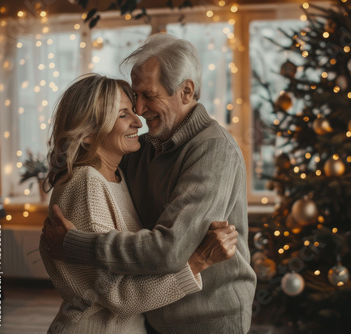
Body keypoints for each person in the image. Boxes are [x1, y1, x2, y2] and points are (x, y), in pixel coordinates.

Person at [43, 32, 257, 333]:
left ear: (185, 91)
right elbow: (92, 164)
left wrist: (76, 244)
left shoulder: (214, 151)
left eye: (148, 95)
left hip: (206, 320)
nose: (140, 113)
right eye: (133, 100)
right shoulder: (140, 149)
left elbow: (169, 250)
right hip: (151, 316)